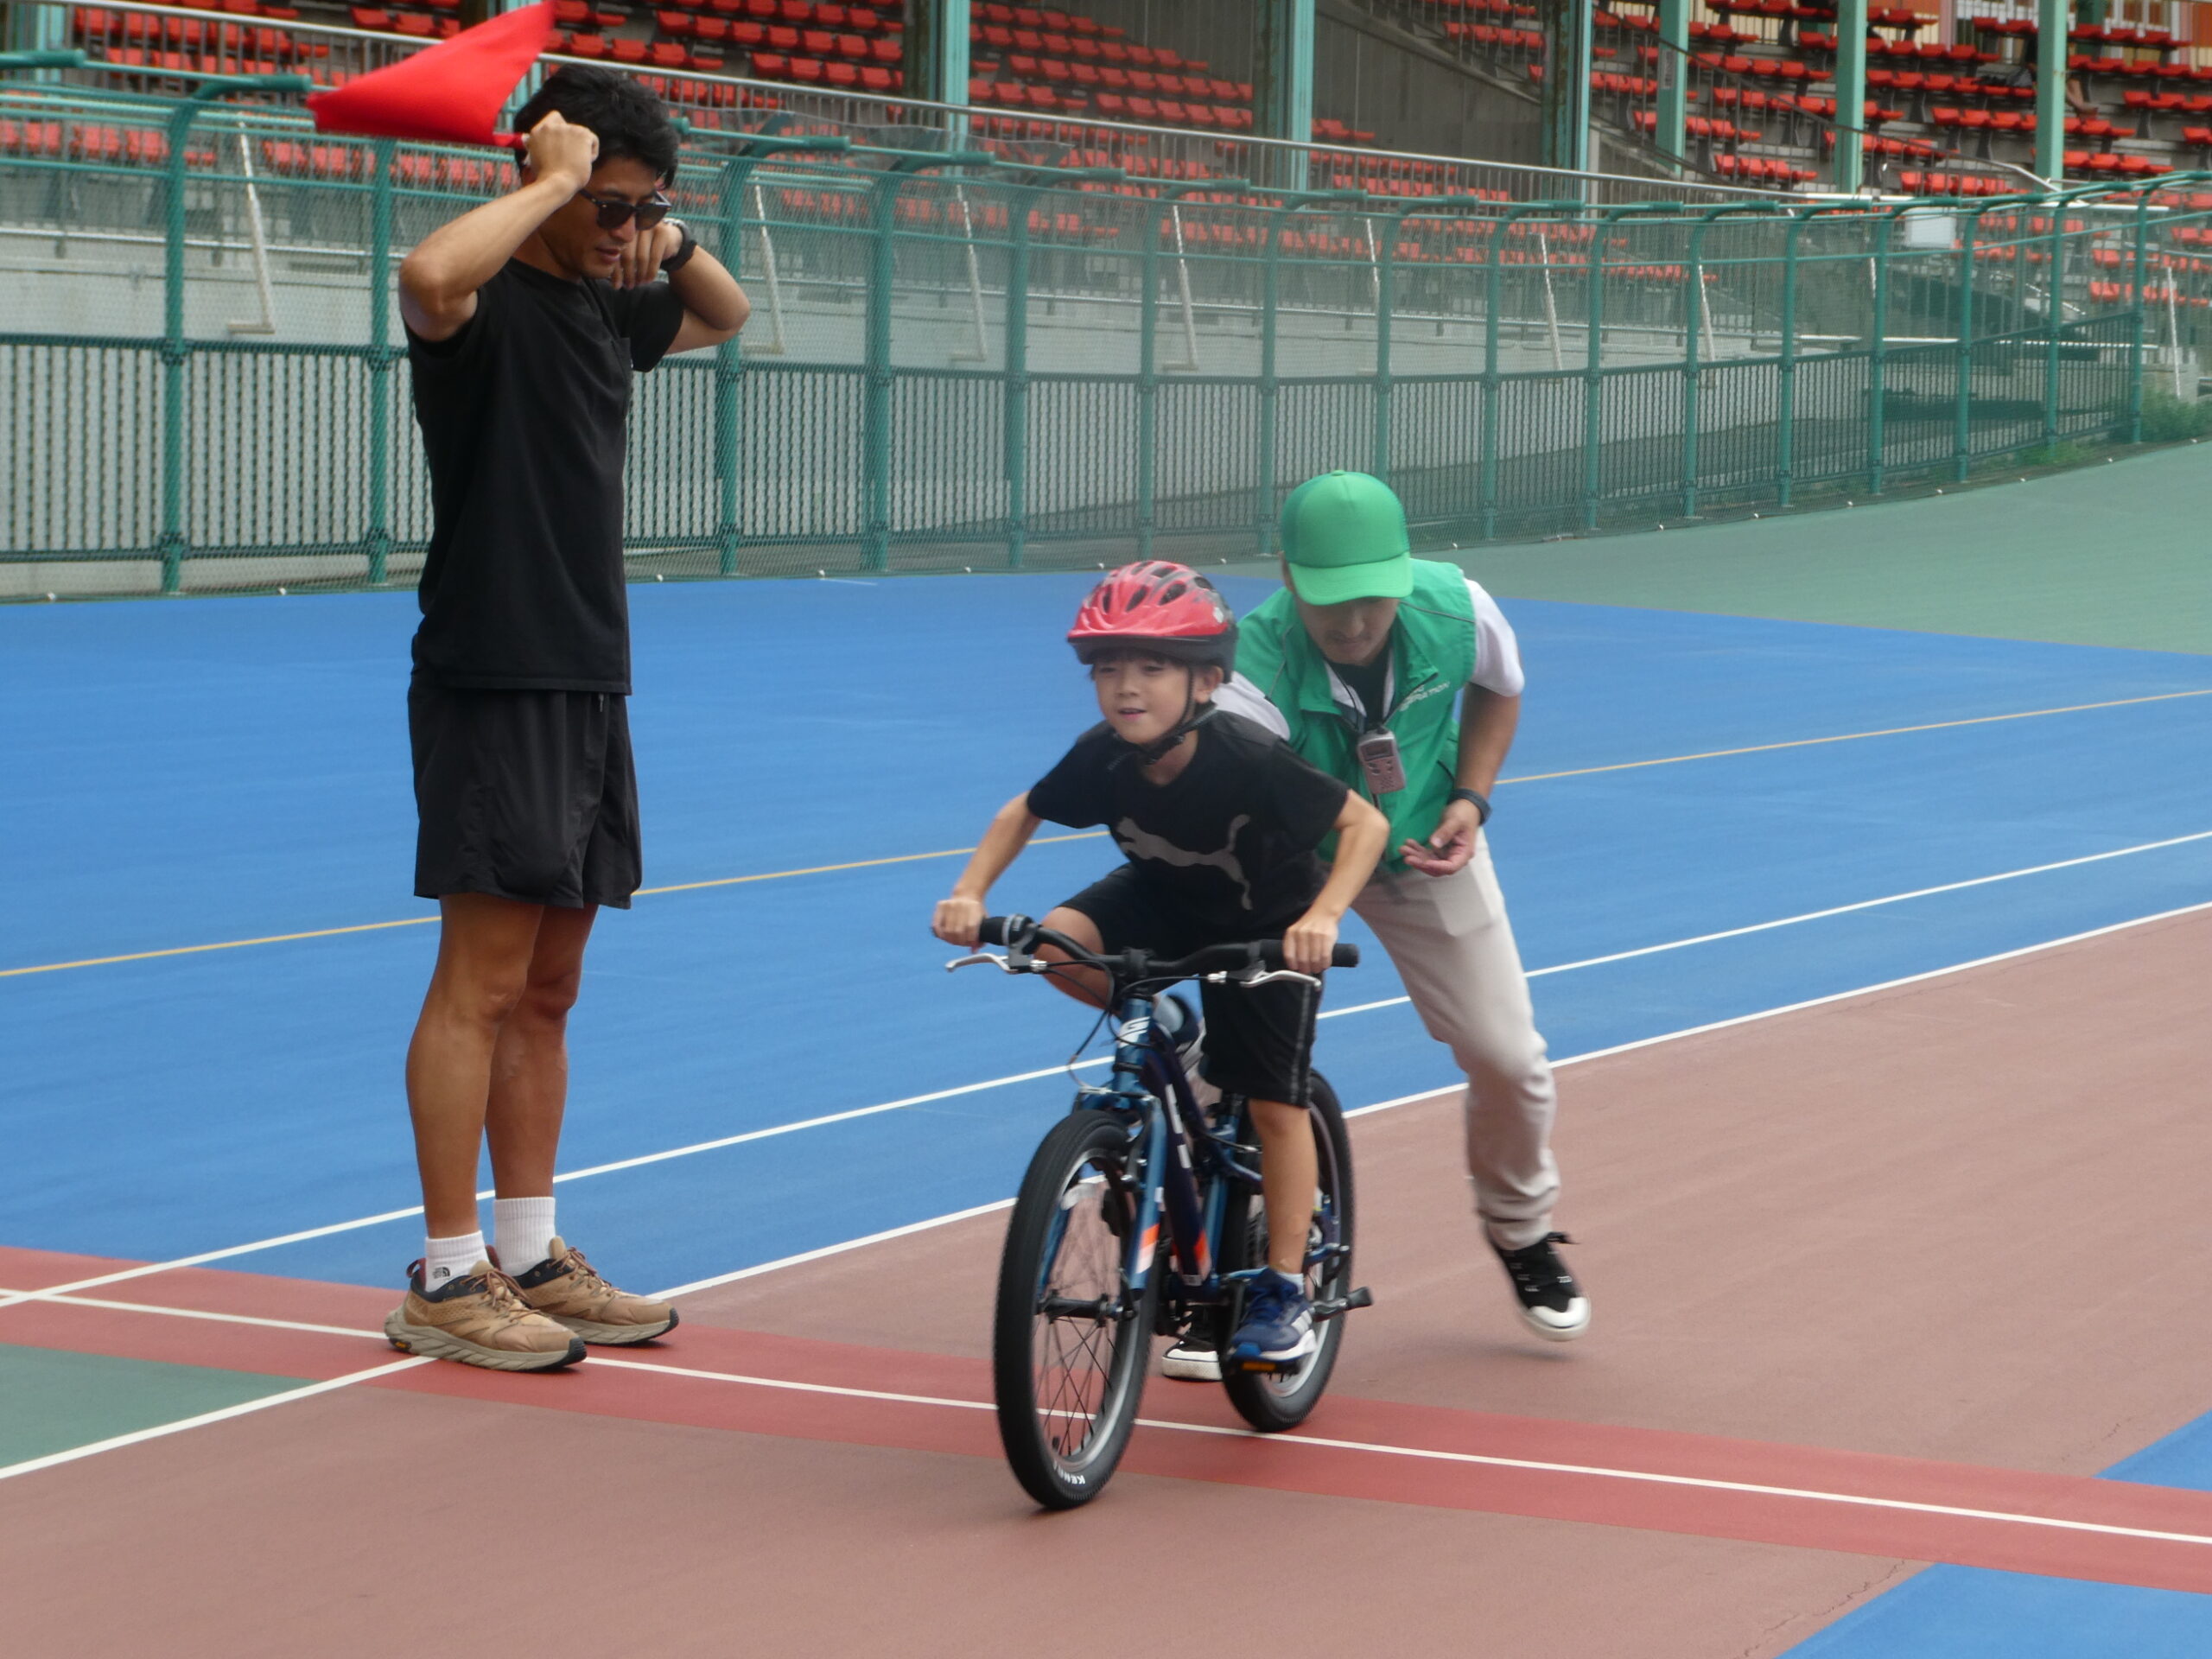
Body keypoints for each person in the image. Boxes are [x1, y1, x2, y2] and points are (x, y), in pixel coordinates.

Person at [382, 67, 751, 1371]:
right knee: (479, 983)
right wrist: (550, 183)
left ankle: (531, 1252)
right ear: (550, 179)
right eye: (611, 207)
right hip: (496, 672)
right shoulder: (480, 307)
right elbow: (425, 274)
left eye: (643, 207)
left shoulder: (606, 300)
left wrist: (667, 233)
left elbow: (727, 313)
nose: (623, 230)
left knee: (548, 990)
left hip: (591, 673)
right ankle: (447, 1277)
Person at [932, 563, 1389, 1370]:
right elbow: (1024, 811)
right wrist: (970, 892)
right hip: (1164, 893)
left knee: (1274, 1103)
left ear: (1207, 681)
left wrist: (1321, 918)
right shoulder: (1103, 756)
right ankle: (1170, 1030)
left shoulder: (1248, 757)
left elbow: (1364, 827)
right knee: (1054, 945)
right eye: (1108, 669)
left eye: (1152, 668)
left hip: (1266, 924)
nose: (1126, 688)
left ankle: (1284, 1288)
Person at [1189, 470, 1589, 1379]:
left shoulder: (1458, 609)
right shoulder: (1251, 668)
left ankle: (1520, 1228)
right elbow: (1244, 811)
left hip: (1421, 851)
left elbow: (1501, 688)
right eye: (1331, 598)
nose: (1355, 619)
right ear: (1287, 577)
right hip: (1293, 865)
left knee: (1510, 1058)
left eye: (1373, 594)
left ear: (1404, 575)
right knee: (1233, 1074)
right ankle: (1207, 1251)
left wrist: (1470, 798)